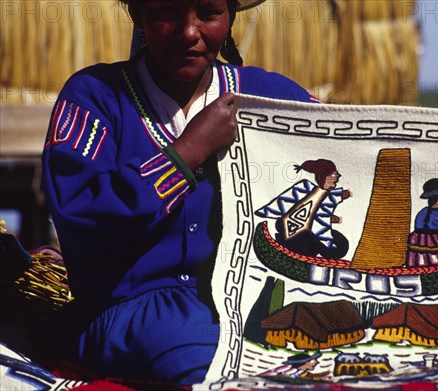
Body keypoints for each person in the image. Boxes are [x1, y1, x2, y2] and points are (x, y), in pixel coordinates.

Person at [41, 0, 318, 385]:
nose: (189, 32)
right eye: (166, 12)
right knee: (204, 369)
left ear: (231, 16)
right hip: (132, 312)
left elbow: (346, 161)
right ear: (137, 14)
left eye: (208, 12)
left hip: (248, 307)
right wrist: (188, 151)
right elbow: (79, 215)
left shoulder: (270, 97)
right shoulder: (95, 97)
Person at [254, 159, 351, 259]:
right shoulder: (305, 187)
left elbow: (319, 212)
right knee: (315, 244)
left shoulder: (328, 195)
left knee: (336, 250)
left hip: (307, 233)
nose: (336, 179)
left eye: (336, 175)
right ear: (323, 176)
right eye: (333, 176)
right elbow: (285, 202)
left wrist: (331, 218)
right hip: (292, 232)